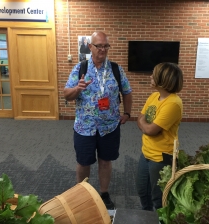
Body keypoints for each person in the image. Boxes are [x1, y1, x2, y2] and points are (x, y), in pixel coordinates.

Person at [64, 31, 132, 209]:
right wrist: (77, 89)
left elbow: (127, 91)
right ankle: (81, 193)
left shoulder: (116, 69)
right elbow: (66, 94)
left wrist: (128, 113)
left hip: (109, 126)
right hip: (84, 126)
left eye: (105, 46)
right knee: (83, 162)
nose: (102, 49)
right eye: (99, 46)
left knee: (105, 160)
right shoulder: (80, 69)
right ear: (90, 47)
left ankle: (104, 193)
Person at [136, 62, 183, 211]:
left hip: (162, 156)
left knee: (159, 197)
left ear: (163, 80)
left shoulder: (173, 103)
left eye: (154, 74)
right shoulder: (154, 96)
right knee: (142, 191)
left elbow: (151, 129)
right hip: (146, 152)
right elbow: (139, 118)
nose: (150, 76)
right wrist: (146, 126)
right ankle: (147, 218)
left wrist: (145, 126)